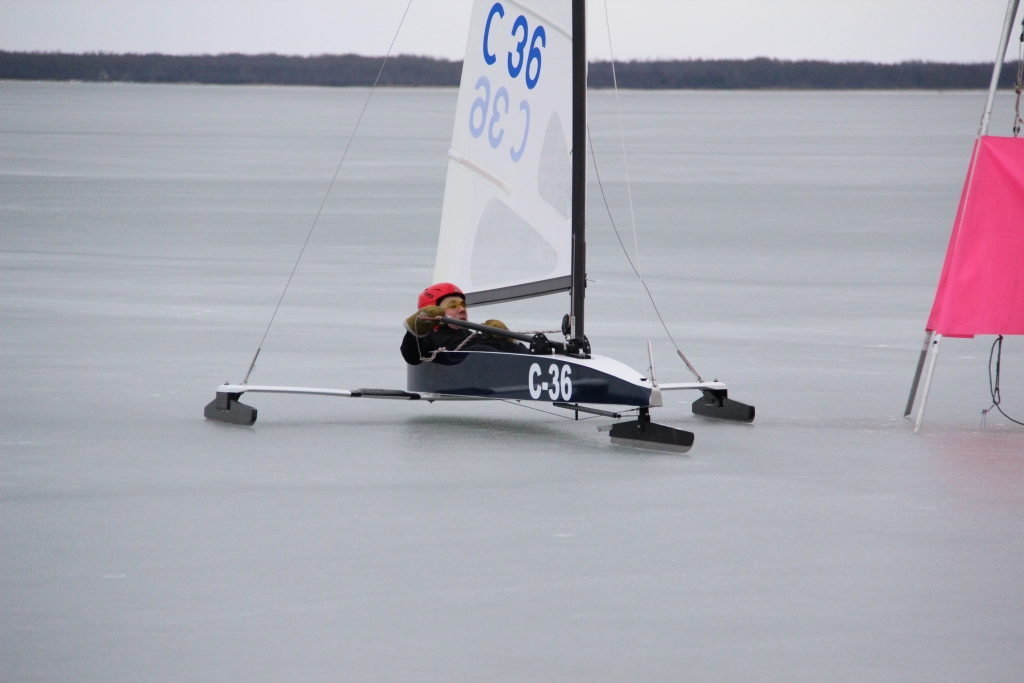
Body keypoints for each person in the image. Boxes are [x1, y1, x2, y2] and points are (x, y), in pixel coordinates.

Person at [400, 282, 528, 365]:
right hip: (457, 368)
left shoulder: (473, 335)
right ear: (433, 309)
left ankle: (540, 357)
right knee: (481, 350)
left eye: (463, 305)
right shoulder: (430, 337)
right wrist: (416, 330)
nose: (462, 309)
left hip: (492, 366)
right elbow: (412, 357)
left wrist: (509, 339)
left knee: (498, 344)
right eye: (453, 305)